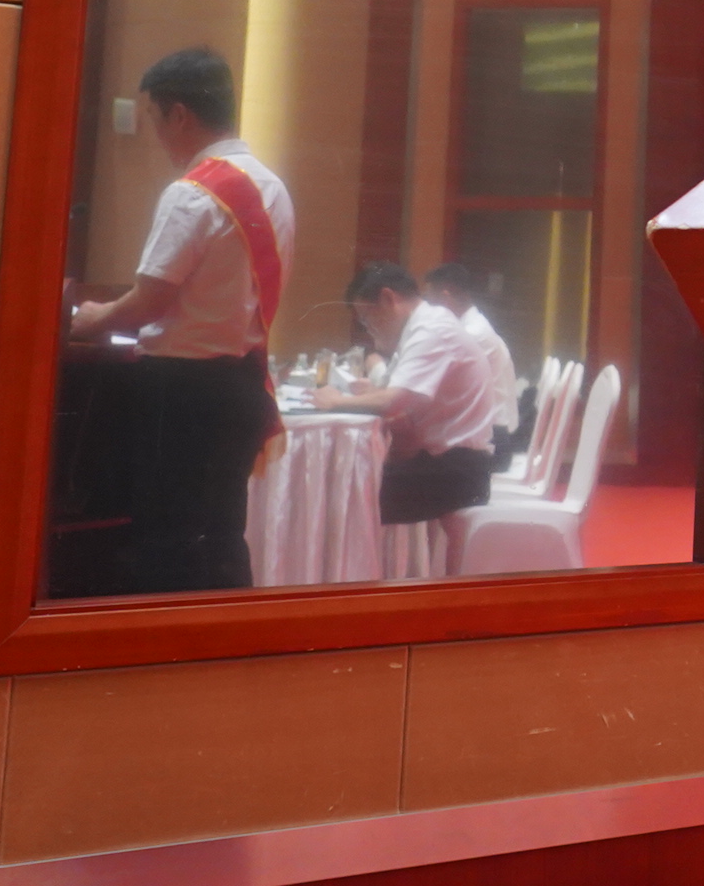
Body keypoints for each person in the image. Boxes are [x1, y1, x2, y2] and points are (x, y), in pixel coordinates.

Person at [67, 46, 295, 593]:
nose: (156, 135)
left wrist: (91, 319)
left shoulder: (193, 193)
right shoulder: (273, 187)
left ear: (180, 115)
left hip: (181, 391)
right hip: (240, 385)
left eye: (154, 119)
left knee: (167, 540)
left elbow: (149, 301)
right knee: (222, 538)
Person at [319, 262, 506, 525]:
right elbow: (392, 392)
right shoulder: (422, 325)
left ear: (388, 299)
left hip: (456, 472)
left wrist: (335, 402)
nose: (368, 329)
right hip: (445, 465)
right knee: (343, 484)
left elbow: (393, 401)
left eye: (366, 319)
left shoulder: (432, 328)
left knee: (343, 493)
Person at [424, 261, 524, 460]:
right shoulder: (472, 327)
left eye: (430, 302)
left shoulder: (471, 334)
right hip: (491, 435)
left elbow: (431, 388)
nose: (426, 311)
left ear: (445, 299)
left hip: (491, 443)